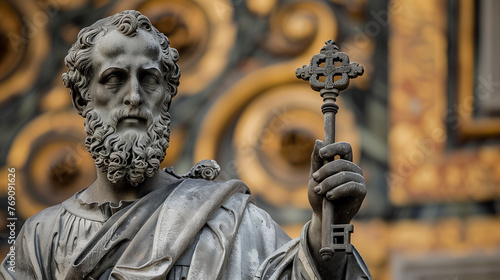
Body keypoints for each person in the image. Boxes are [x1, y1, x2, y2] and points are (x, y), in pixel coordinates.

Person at [1, 10, 371, 279]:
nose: (133, 96)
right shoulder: (40, 240)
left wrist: (328, 235)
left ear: (166, 96)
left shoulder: (230, 222)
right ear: (83, 97)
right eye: (113, 78)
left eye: (148, 80)